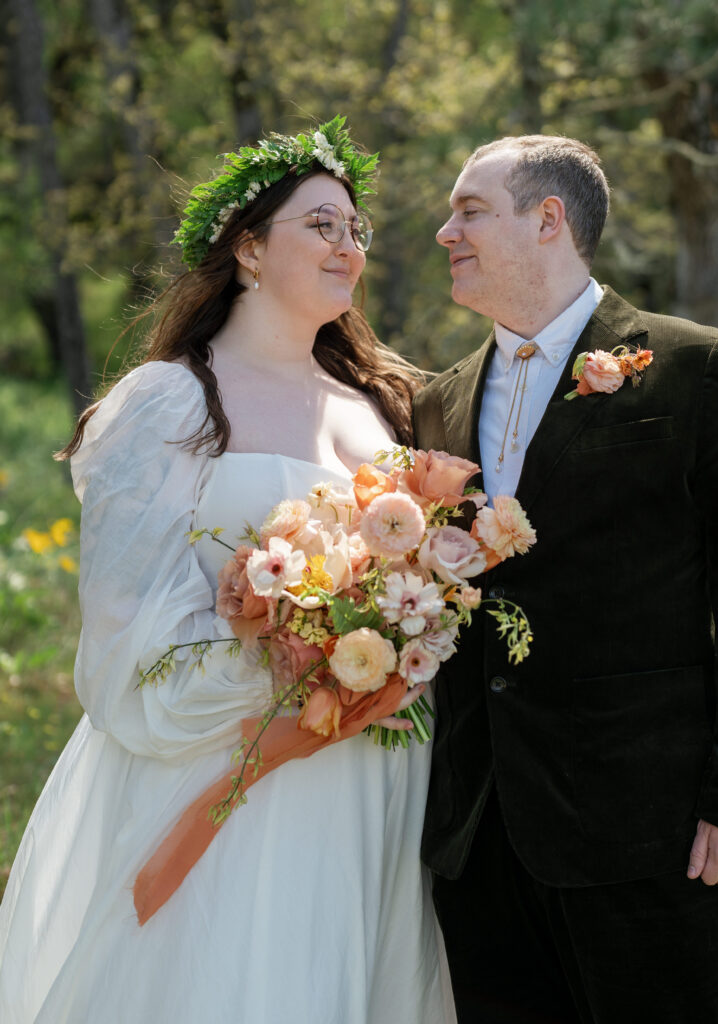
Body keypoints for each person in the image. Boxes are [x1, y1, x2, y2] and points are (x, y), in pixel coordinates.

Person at [0, 117, 455, 1023]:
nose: (347, 247)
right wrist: (278, 653)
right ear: (249, 247)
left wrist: (381, 653)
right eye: (321, 225)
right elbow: (121, 622)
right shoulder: (171, 400)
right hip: (222, 758)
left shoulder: (388, 403)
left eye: (355, 230)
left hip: (371, 769)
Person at [412, 134, 718, 1024]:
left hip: (650, 831)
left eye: (468, 210)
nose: (445, 231)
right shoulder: (436, 402)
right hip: (480, 839)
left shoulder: (696, 368)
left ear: (548, 219)